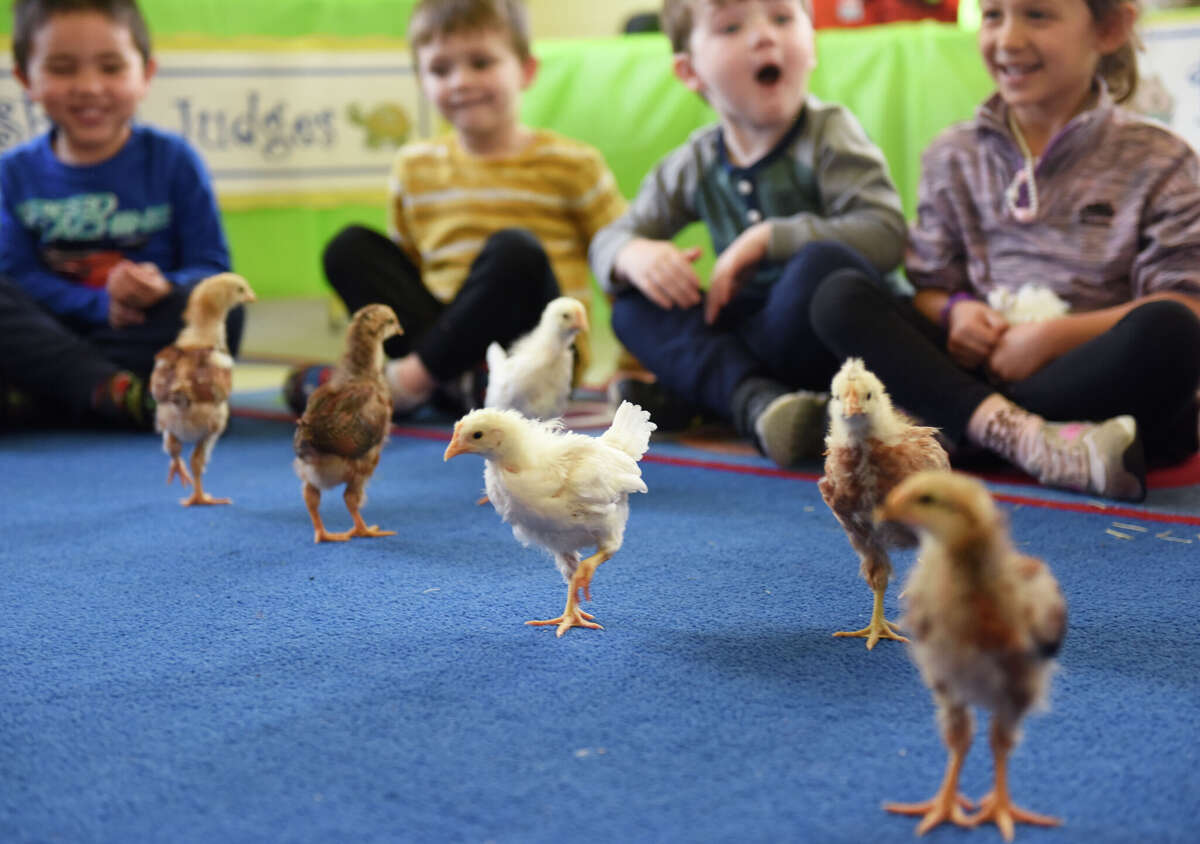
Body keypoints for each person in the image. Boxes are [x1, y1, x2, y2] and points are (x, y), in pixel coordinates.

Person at [808, 0, 1200, 501]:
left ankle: (948, 424)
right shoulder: (953, 153)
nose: (1008, 40)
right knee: (838, 294)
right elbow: (932, 289)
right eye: (992, 16)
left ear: (1108, 28)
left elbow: (1185, 303)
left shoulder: (1161, 159)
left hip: (1087, 375)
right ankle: (1019, 437)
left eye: (1037, 15)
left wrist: (1049, 340)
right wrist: (957, 311)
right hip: (981, 366)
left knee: (1172, 332)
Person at [588, 0, 907, 467]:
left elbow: (886, 234)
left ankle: (709, 397)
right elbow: (609, 238)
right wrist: (631, 253)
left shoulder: (828, 133)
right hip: (750, 335)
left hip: (828, 334)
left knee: (820, 266)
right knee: (634, 308)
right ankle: (758, 404)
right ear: (690, 71)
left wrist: (766, 240)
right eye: (732, 27)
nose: (764, 37)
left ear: (811, 43)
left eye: (782, 19)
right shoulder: (696, 161)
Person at [285, 0, 627, 418]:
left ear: (526, 70)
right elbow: (405, 275)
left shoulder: (574, 163)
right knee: (348, 248)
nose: (461, 81)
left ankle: (402, 385)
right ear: (421, 81)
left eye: (481, 63)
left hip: (534, 351)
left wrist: (634, 368)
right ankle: (454, 384)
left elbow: (620, 264)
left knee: (515, 252)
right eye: (440, 70)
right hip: (445, 338)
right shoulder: (414, 167)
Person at [0, 0, 236, 430]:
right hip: (52, 332)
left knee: (220, 303)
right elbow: (17, 277)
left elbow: (213, 267)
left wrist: (164, 285)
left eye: (111, 67)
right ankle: (115, 391)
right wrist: (98, 304)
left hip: (141, 333)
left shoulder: (174, 159)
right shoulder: (11, 174)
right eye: (62, 68)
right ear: (25, 78)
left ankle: (64, 393)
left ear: (145, 74)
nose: (89, 87)